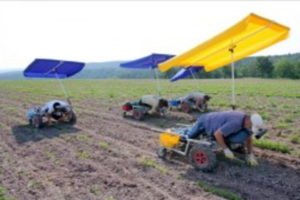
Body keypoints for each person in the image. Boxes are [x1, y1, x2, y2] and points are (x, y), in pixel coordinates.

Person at [185, 110, 264, 166]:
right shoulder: (235, 123)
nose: (250, 128)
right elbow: (217, 134)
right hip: (205, 121)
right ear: (248, 121)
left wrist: (250, 154)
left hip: (215, 118)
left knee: (237, 135)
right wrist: (226, 150)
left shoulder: (245, 120)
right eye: (250, 126)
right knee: (189, 136)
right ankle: (184, 131)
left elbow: (248, 138)